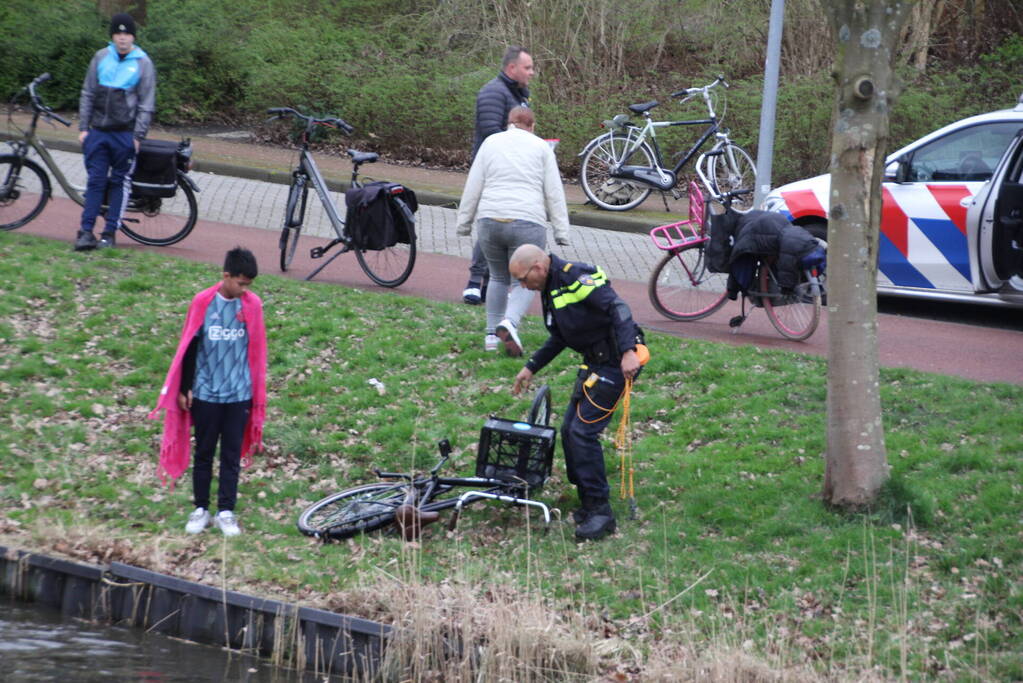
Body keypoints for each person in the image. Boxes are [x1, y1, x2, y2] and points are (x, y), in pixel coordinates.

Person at [509, 244, 644, 541]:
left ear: (538, 268)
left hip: (616, 362)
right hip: (594, 362)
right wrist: (531, 367)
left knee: (583, 432)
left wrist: (628, 352)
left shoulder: (574, 278)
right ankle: (587, 501)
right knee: (570, 430)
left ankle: (601, 513)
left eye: (523, 278)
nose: (522, 285)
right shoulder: (549, 287)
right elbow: (560, 337)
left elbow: (617, 307)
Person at [149, 248, 268, 537]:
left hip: (239, 394)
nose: (243, 290)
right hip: (205, 394)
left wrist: (255, 394)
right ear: (226, 275)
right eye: (240, 284)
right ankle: (200, 508)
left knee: (230, 455)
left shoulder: (252, 305)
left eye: (248, 286)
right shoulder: (203, 302)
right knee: (203, 453)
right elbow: (189, 345)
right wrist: (185, 386)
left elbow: (257, 351)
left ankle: (226, 511)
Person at [457, 107, 569, 355]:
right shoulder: (541, 147)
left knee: (497, 276)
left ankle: (490, 335)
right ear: (533, 125)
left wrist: (464, 223)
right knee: (525, 281)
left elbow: (474, 183)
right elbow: (553, 191)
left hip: (489, 220)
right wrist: (562, 231)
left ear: (509, 123)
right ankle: (510, 322)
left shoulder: (491, 143)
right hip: (528, 220)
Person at [74, 12, 156, 251]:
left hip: (124, 134)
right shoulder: (101, 57)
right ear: (112, 36)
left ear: (133, 36)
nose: (122, 38)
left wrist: (138, 136)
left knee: (119, 182)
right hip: (98, 132)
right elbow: (87, 93)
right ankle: (86, 232)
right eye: (118, 33)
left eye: (127, 33)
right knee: (96, 182)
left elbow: (146, 103)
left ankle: (109, 233)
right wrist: (83, 128)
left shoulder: (143, 62)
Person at [462, 46, 535, 305]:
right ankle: (474, 283)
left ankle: (485, 285)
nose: (532, 72)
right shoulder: (493, 92)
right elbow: (492, 133)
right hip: (493, 171)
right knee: (491, 225)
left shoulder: (518, 95)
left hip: (513, 171)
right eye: (527, 67)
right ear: (512, 68)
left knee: (501, 225)